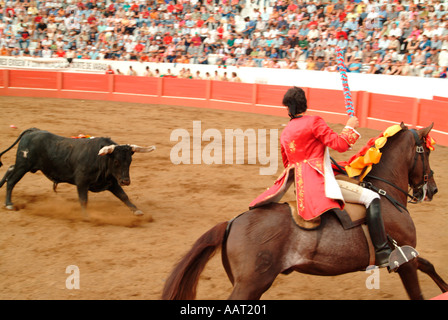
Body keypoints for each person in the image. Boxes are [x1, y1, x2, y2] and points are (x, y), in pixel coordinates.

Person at [249, 87, 392, 267]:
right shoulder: (314, 122)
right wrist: (350, 126)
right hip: (320, 184)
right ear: (305, 104)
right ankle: (382, 251)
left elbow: (288, 164)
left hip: (301, 190)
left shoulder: (286, 132)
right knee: (372, 197)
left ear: (288, 108)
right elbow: (340, 144)